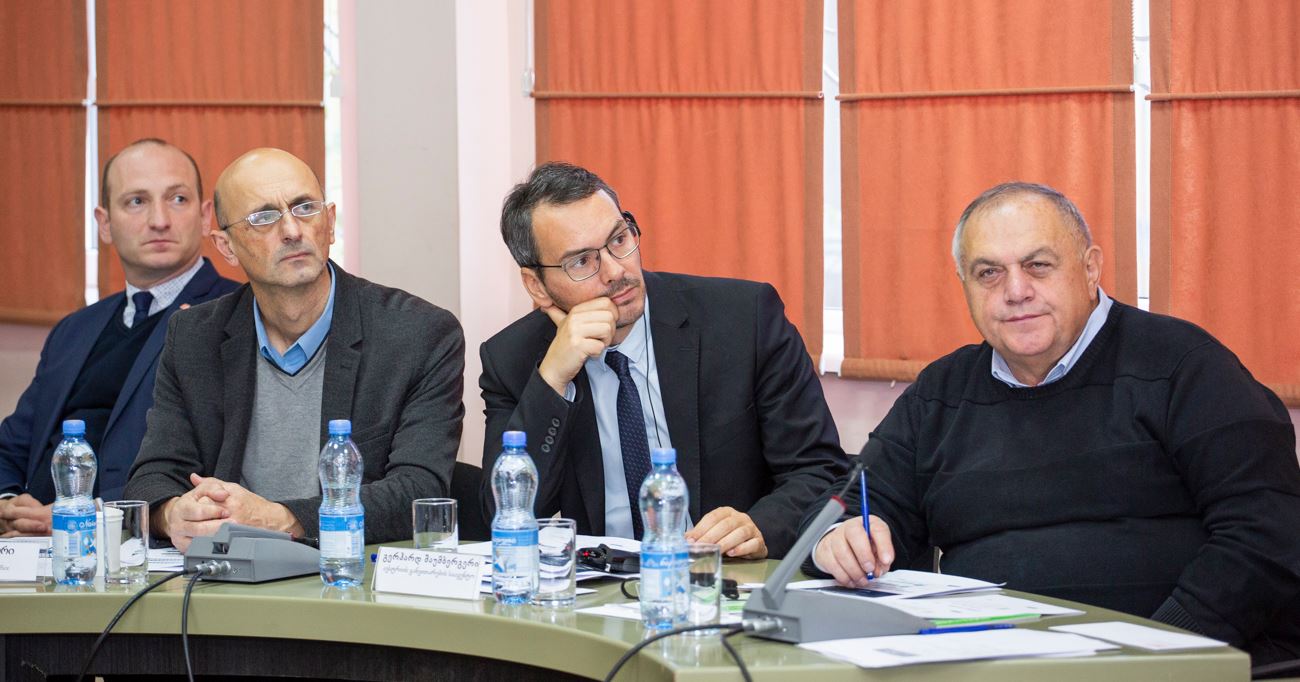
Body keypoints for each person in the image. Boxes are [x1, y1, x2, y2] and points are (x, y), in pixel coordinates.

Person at [806, 182, 1300, 664]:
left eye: (1038, 265)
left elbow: (1268, 531)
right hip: (986, 661)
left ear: (1090, 268)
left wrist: (1154, 655)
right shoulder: (940, 392)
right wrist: (840, 538)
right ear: (965, 286)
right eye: (988, 273)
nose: (1016, 291)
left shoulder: (1186, 367)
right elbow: (847, 507)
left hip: (1181, 661)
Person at [479, 162, 847, 559]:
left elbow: (820, 470)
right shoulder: (514, 360)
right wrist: (552, 380)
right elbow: (502, 515)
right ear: (536, 285)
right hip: (601, 585)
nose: (615, 271)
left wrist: (760, 526)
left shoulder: (744, 321)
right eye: (582, 261)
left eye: (619, 239)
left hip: (721, 576)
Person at [123, 148, 465, 551]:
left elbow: (419, 492)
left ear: (330, 223)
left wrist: (280, 519)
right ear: (226, 246)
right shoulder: (195, 337)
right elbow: (151, 477)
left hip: (349, 572)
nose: (291, 230)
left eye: (305, 208)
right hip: (228, 572)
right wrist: (173, 514)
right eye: (263, 217)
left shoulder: (418, 334)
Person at [0, 139, 238, 537]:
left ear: (204, 215)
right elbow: (12, 445)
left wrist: (94, 514)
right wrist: (9, 503)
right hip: (32, 545)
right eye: (137, 201)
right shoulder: (74, 330)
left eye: (177, 199)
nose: (159, 220)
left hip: (142, 543)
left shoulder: (234, 316)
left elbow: (222, 462)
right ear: (105, 223)